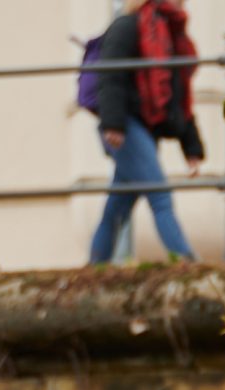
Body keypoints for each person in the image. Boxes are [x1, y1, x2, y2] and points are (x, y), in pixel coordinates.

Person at [88, 0, 205, 265]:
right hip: (125, 127)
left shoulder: (171, 35)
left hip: (144, 129)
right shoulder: (127, 26)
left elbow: (179, 97)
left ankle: (94, 267)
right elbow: (110, 77)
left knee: (117, 208)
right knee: (160, 194)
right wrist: (113, 124)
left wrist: (192, 147)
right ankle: (186, 260)